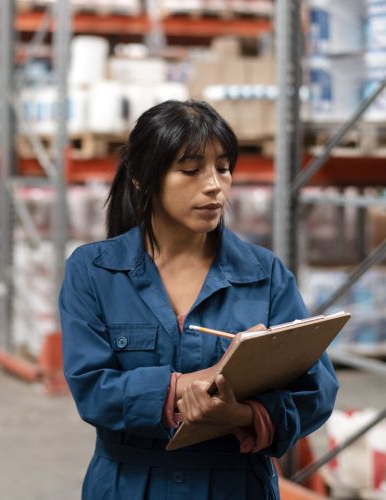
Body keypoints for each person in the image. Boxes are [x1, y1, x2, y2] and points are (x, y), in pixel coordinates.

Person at [59, 100, 338, 499]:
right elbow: (91, 387)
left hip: (235, 484)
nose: (213, 185)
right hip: (129, 483)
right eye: (190, 170)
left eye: (223, 168)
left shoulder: (264, 274)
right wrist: (183, 388)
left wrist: (242, 416)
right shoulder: (94, 271)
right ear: (141, 177)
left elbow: (317, 390)